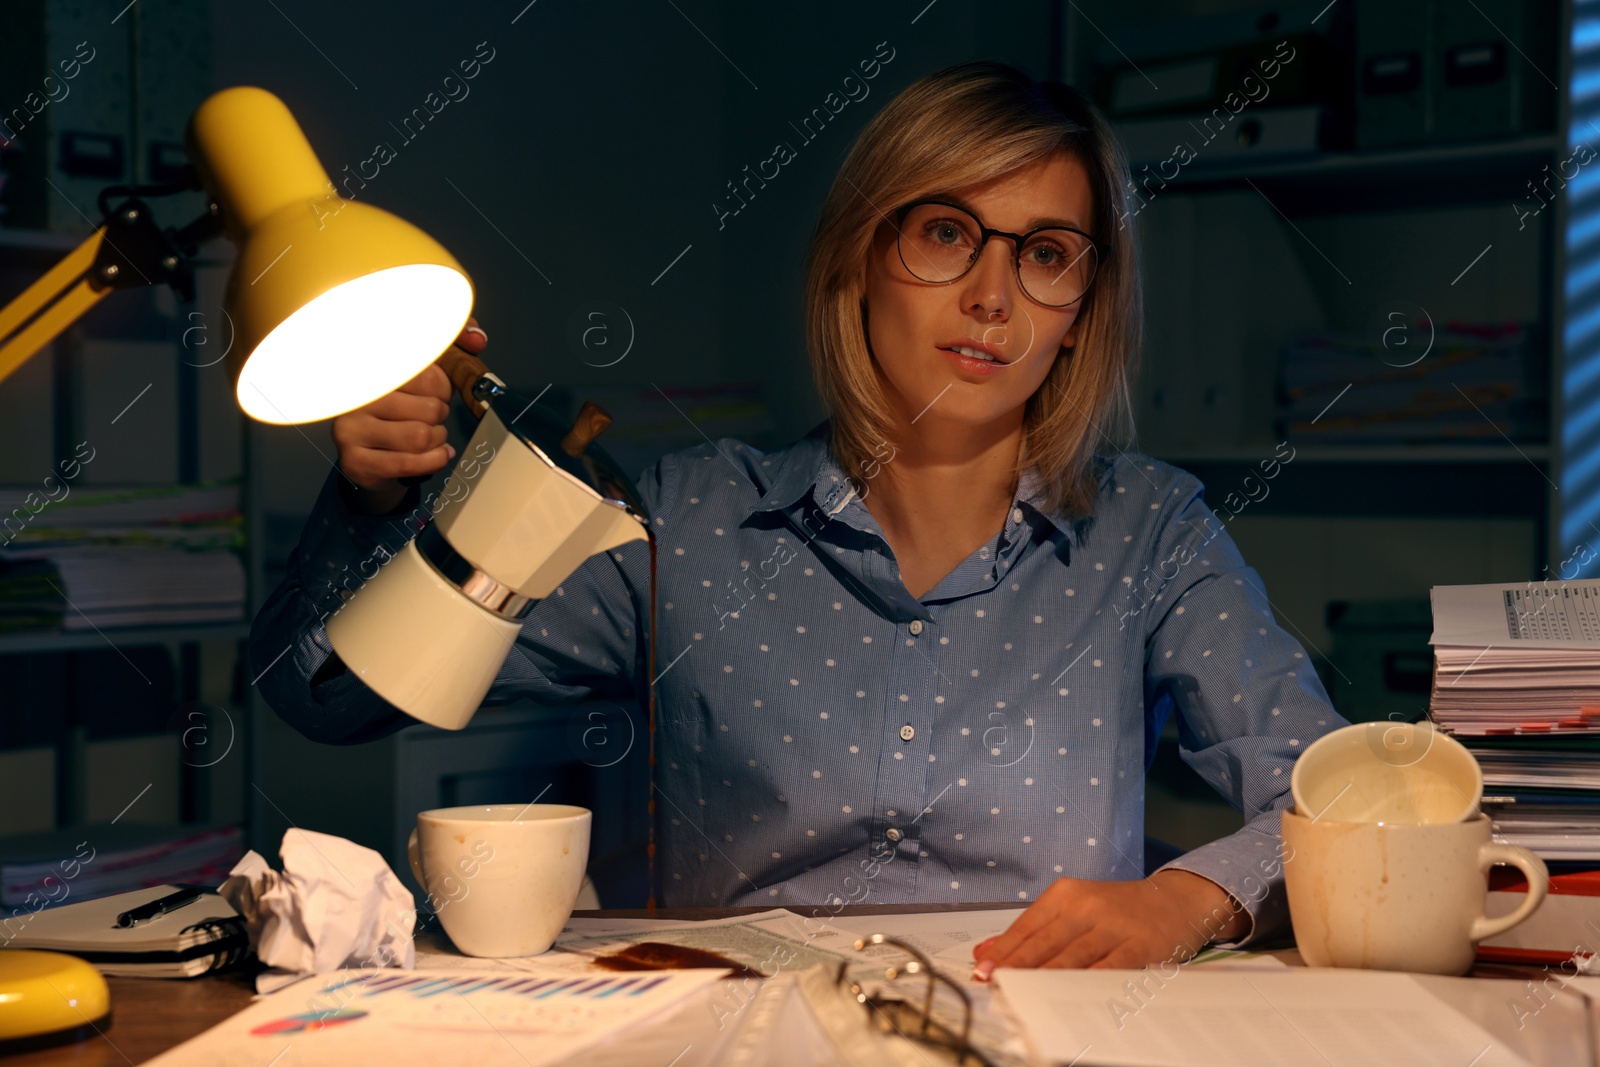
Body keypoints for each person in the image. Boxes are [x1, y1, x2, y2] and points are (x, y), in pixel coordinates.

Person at [252, 60, 1345, 974]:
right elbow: (326, 700)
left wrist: (1187, 896)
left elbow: (1343, 799)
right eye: (946, 233)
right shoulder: (678, 526)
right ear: (863, 257)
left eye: (1045, 254)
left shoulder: (1152, 532)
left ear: (1081, 312)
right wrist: (372, 502)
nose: (992, 298)